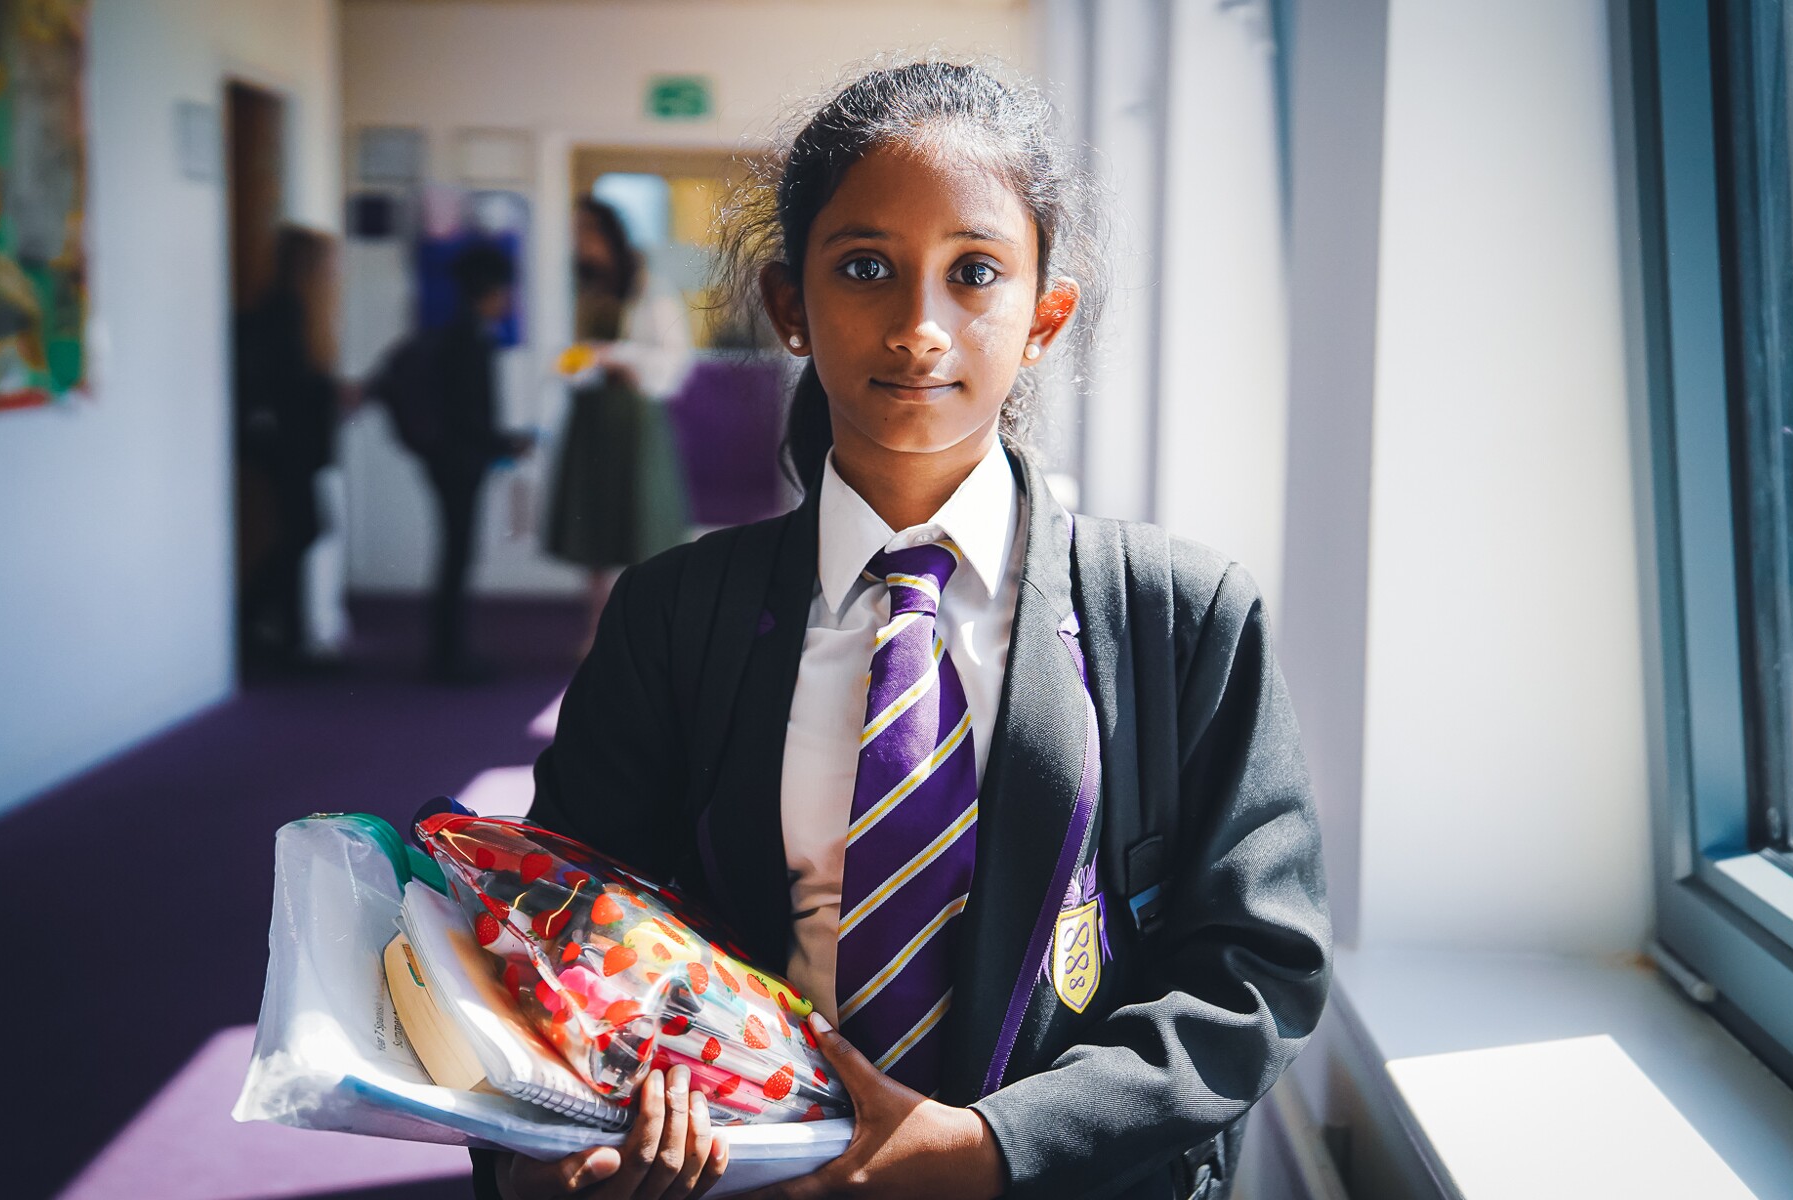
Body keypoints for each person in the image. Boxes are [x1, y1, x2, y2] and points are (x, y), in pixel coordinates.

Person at [476, 61, 1331, 1200]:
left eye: (973, 272)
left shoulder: (1180, 617)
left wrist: (993, 1150)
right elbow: (571, 916)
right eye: (865, 268)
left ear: (1042, 317)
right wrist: (568, 1134)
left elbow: (1253, 967)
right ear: (791, 307)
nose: (919, 328)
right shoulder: (673, 616)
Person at [545, 197, 696, 643]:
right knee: (594, 529)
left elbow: (674, 358)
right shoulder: (577, 289)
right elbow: (559, 353)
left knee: (640, 525)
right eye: (575, 233)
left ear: (609, 234)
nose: (581, 242)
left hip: (633, 419)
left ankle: (641, 630)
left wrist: (616, 355)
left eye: (588, 231)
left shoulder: (648, 286)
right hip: (591, 418)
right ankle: (596, 629)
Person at [381, 243, 530, 683]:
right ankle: (449, 656)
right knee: (457, 554)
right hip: (459, 463)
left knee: (454, 553)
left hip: (449, 460)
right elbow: (470, 416)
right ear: (491, 291)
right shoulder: (472, 341)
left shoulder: (457, 333)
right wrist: (506, 443)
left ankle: (448, 651)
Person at [235, 224, 341, 669]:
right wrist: (329, 391)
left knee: (303, 531)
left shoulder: (294, 312)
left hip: (292, 443)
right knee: (305, 530)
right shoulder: (286, 313)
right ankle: (259, 624)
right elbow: (289, 385)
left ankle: (285, 635)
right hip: (289, 445)